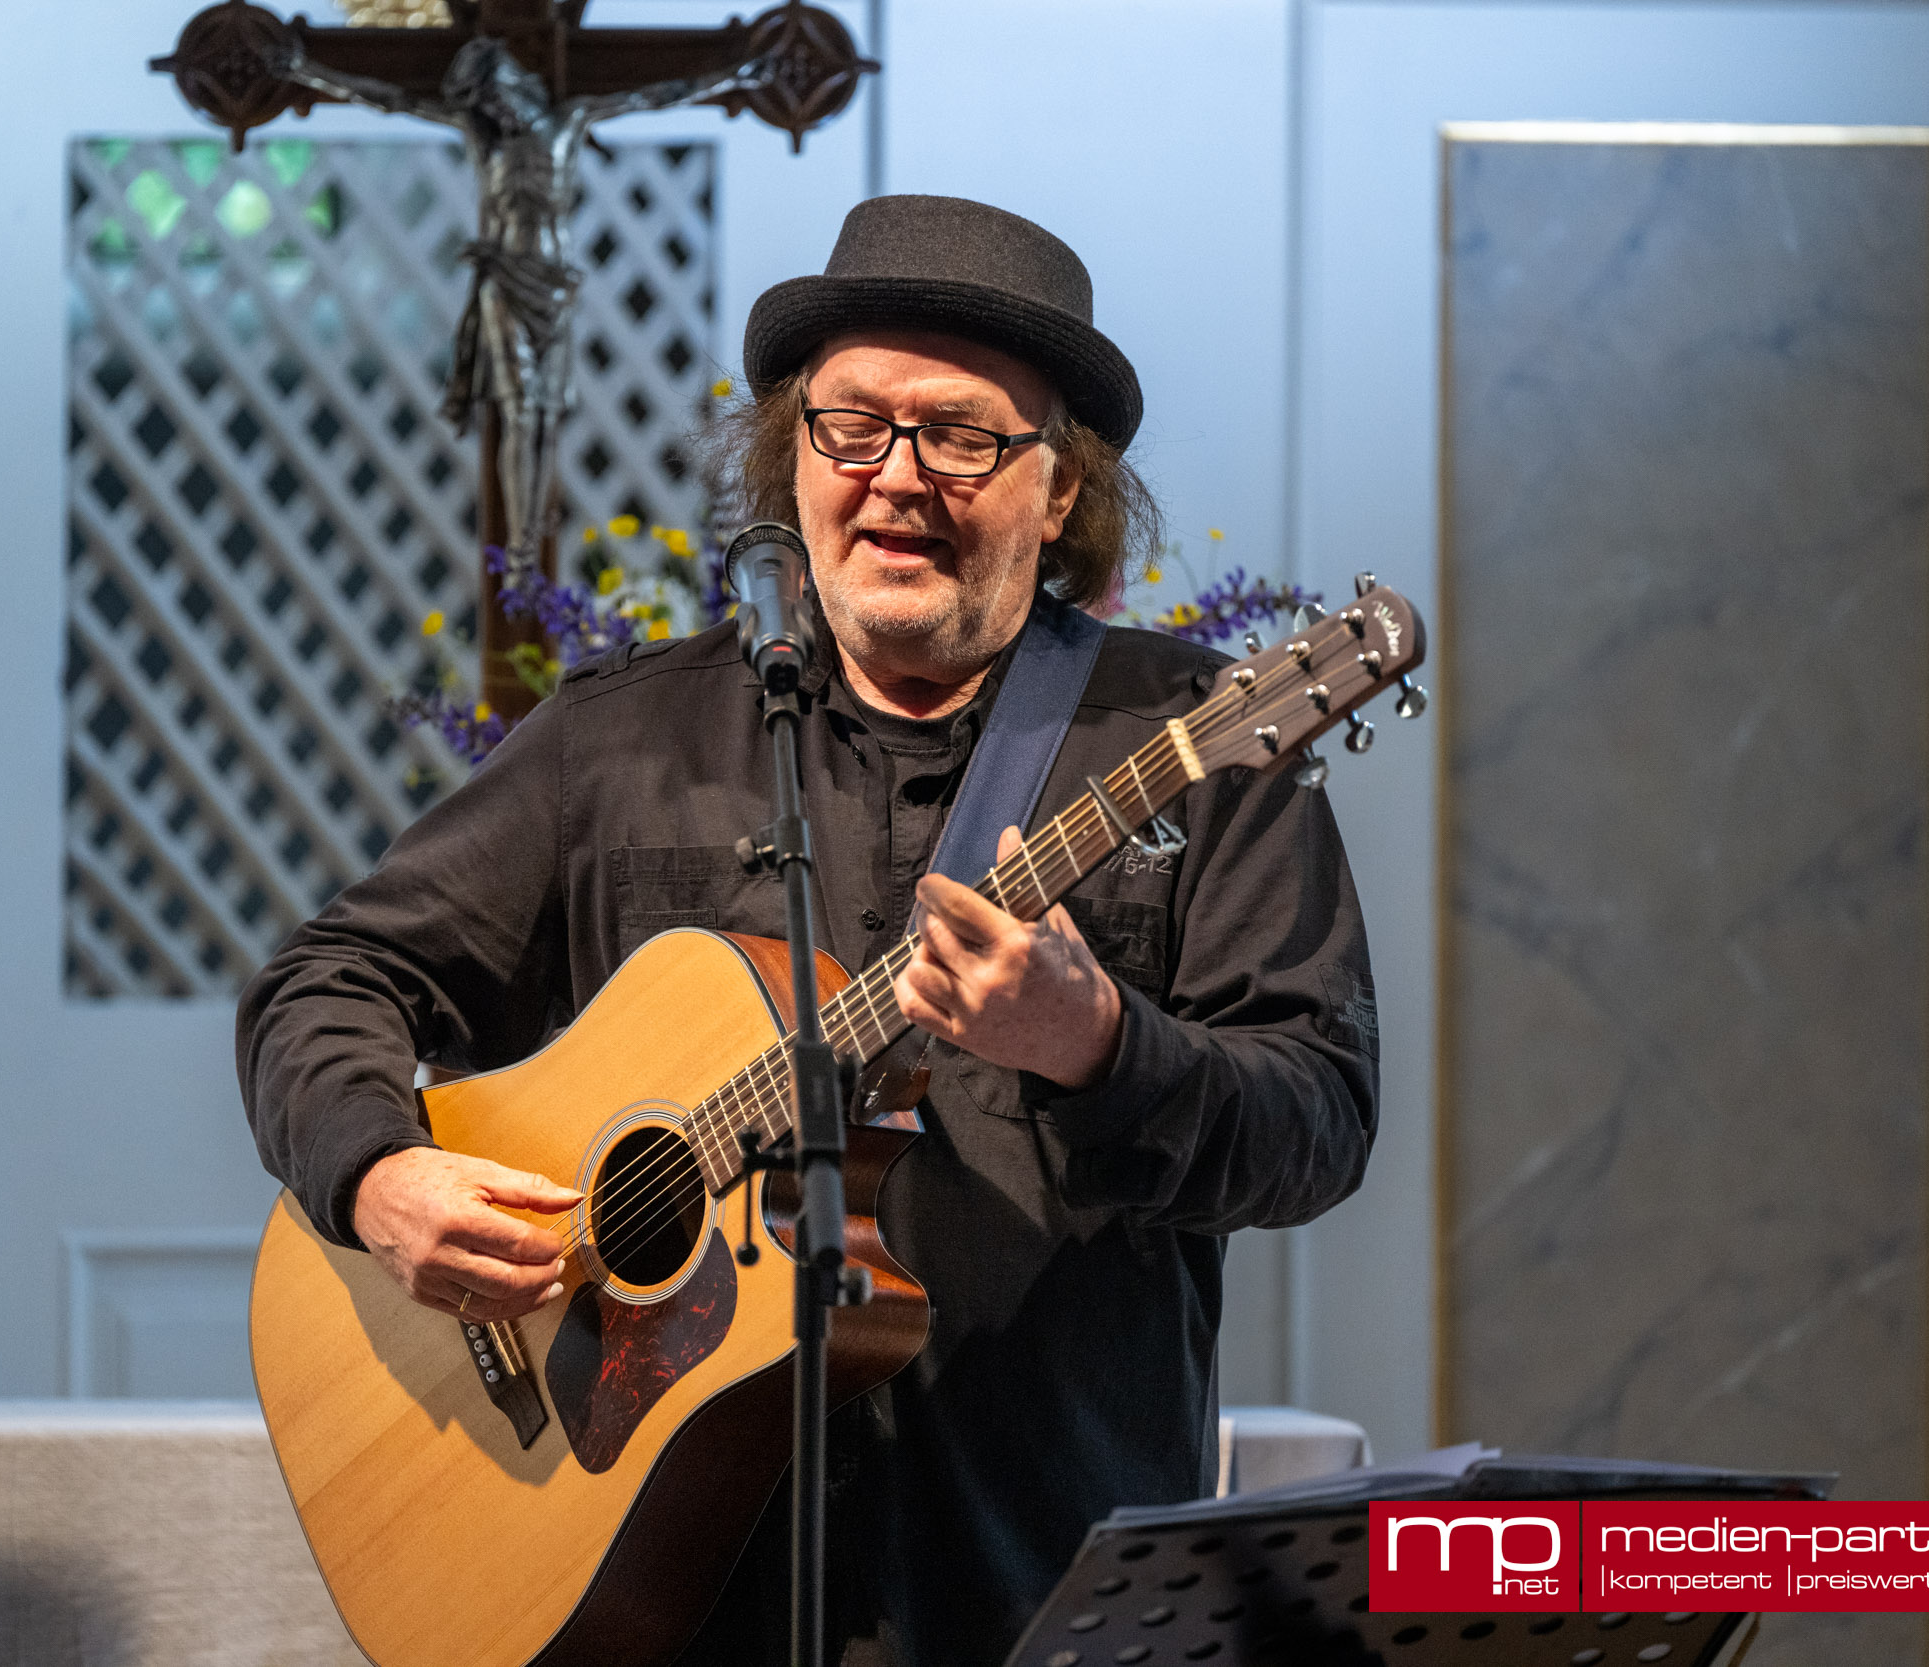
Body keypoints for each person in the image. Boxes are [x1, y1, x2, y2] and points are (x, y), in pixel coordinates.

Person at [236, 194, 1382, 1667]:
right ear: (794, 457)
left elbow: (1317, 1121)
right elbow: (329, 980)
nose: (897, 476)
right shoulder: (624, 740)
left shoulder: (1188, 743)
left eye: (961, 437)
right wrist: (377, 1176)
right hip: (670, 1610)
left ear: (1061, 491)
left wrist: (1100, 1045)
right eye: (852, 428)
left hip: (1022, 1587)